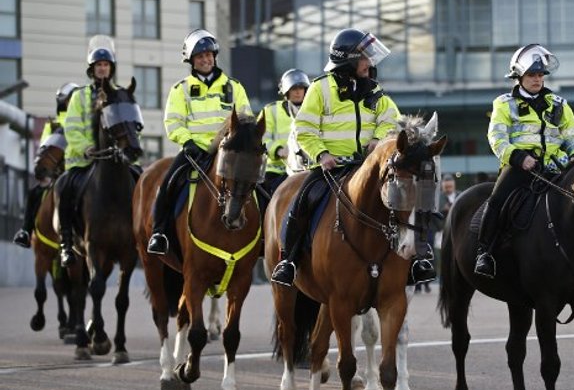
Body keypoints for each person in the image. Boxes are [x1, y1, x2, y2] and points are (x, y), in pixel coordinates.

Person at [270, 28, 417, 287]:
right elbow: (303, 129)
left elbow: (392, 121)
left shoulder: (375, 90)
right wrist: (322, 154)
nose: (369, 63)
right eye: (364, 58)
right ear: (347, 60)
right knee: (300, 203)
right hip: (331, 168)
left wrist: (378, 140)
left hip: (367, 167)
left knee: (402, 200)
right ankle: (289, 261)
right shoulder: (319, 89)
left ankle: (415, 260)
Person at [473, 43, 574, 280]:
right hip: (519, 167)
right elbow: (497, 138)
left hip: (557, 168)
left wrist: (573, 160)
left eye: (540, 75)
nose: (537, 79)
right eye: (531, 75)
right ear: (519, 76)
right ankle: (485, 253)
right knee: (496, 200)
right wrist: (518, 158)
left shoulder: (559, 104)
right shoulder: (503, 103)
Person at [147, 29, 254, 255]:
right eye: (200, 56)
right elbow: (173, 122)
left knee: (258, 188)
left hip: (229, 154)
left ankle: (264, 235)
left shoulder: (234, 87)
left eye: (209, 55)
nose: (206, 59)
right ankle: (159, 233)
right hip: (194, 152)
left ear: (214, 56)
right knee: (167, 185)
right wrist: (187, 142)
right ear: (192, 61)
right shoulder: (181, 90)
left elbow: (246, 118)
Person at [55, 38, 126, 267]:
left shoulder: (121, 95)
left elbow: (131, 127)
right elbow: (72, 128)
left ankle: (145, 235)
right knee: (63, 187)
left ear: (111, 68)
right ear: (92, 70)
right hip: (83, 161)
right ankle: (66, 245)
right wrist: (86, 147)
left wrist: (125, 149)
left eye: (106, 65)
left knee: (141, 182)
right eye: (98, 65)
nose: (102, 68)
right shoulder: (79, 96)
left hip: (115, 160)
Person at [13, 82, 80, 248]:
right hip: (58, 171)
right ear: (63, 101)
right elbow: (44, 147)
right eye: (69, 99)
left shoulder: (83, 123)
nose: (72, 102)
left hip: (79, 167)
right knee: (35, 193)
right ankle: (26, 231)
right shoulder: (52, 124)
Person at [258, 68, 310, 196]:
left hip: (306, 169)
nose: (298, 92)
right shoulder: (271, 110)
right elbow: (260, 137)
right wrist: (278, 150)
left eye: (301, 88)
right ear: (286, 92)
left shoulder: (313, 111)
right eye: (294, 89)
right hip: (276, 171)